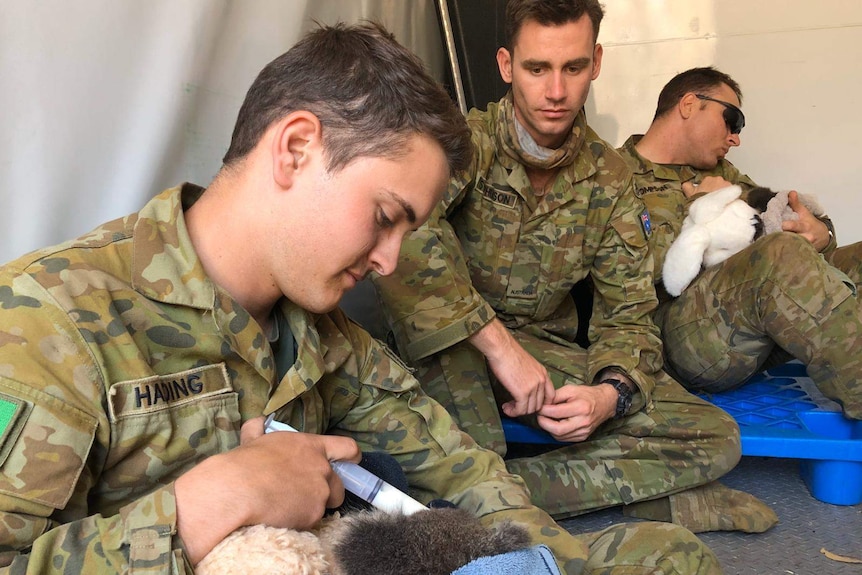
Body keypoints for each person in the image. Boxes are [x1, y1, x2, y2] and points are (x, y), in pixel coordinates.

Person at [0, 21, 723, 575]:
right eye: (384, 217)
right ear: (295, 149)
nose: (387, 261)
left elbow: (459, 465)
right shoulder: (46, 323)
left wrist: (536, 560)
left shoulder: (319, 331)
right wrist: (197, 509)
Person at [374, 0, 775, 535]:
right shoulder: (462, 145)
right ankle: (622, 497)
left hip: (543, 355)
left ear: (597, 62)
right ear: (506, 65)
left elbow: (629, 313)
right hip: (449, 345)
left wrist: (609, 393)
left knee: (714, 435)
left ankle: (493, 498)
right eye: (537, 68)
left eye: (573, 68)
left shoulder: (610, 177)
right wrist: (498, 346)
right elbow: (408, 242)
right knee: (460, 421)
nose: (556, 91)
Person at [617, 66, 862, 420]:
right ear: (689, 104)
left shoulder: (721, 174)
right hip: (677, 339)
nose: (735, 139)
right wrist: (700, 207)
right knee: (778, 255)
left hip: (751, 321)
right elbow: (619, 273)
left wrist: (821, 233)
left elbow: (777, 216)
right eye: (731, 120)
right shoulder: (614, 174)